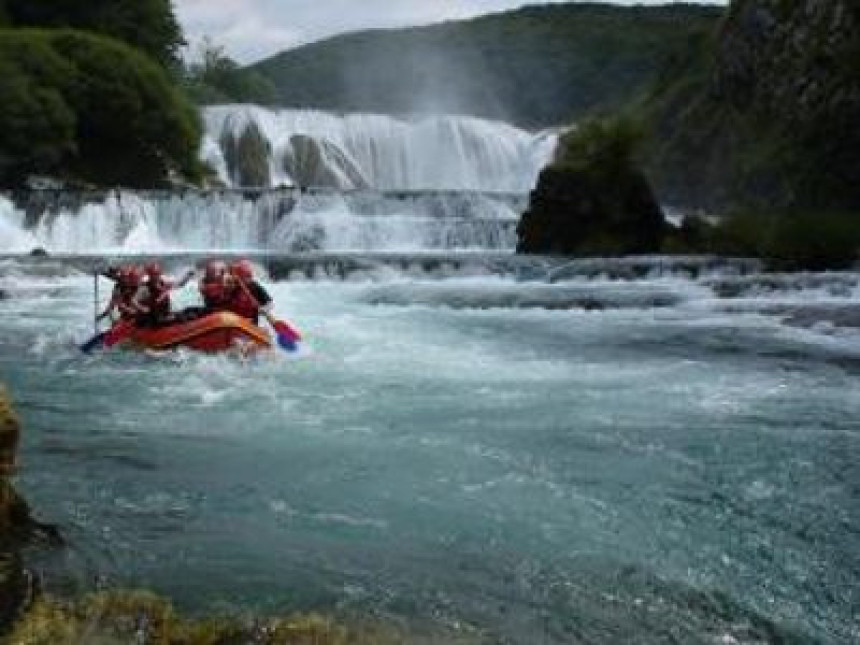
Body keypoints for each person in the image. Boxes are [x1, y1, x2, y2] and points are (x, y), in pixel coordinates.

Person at [132, 262, 195, 327]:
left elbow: (178, 285)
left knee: (189, 314)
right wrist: (142, 308)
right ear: (149, 274)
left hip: (165, 312)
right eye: (154, 274)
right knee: (179, 318)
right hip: (155, 318)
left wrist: (187, 277)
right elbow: (134, 300)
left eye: (157, 273)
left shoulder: (163, 282)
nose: (156, 276)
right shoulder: (145, 288)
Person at [224, 259, 272, 325]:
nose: (247, 279)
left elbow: (269, 302)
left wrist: (264, 309)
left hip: (251, 324)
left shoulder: (255, 286)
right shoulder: (232, 286)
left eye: (249, 276)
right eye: (245, 277)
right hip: (234, 322)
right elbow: (224, 301)